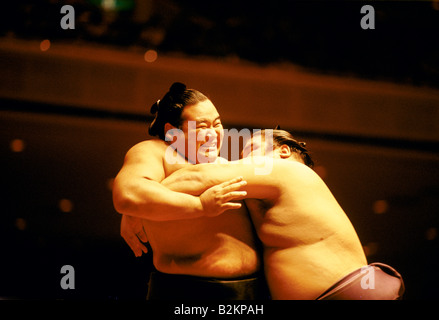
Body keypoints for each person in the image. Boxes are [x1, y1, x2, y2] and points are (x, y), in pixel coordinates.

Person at [160, 129, 405, 300]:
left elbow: (199, 177)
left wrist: (142, 203)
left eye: (252, 150)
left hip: (348, 293)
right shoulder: (273, 190)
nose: (244, 161)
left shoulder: (285, 170)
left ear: (283, 151)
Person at [112, 82, 268, 300]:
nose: (214, 133)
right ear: (172, 132)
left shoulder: (225, 164)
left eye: (217, 124)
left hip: (250, 292)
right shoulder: (157, 152)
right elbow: (129, 194)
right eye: (202, 126)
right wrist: (200, 205)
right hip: (184, 292)